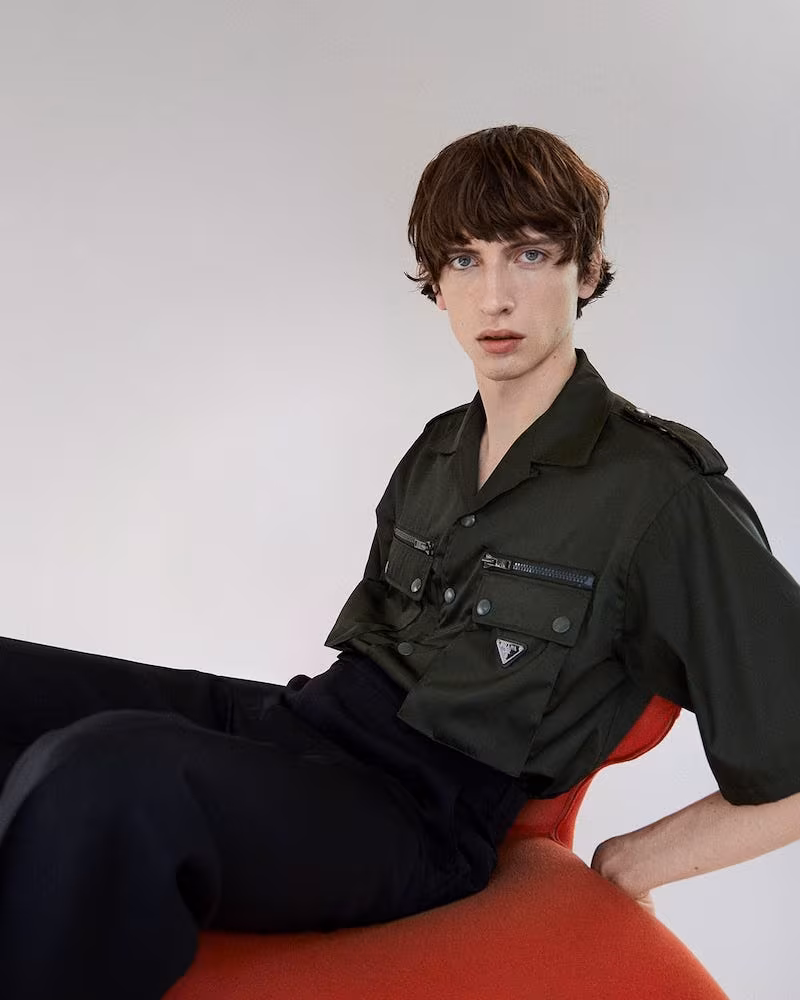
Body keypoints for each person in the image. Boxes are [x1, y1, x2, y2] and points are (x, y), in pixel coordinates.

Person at [1, 124, 799, 999]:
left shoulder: (660, 491)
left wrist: (636, 860)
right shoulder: (440, 448)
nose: (495, 296)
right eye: (464, 260)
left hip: (417, 815)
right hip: (306, 725)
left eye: (530, 254)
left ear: (588, 270)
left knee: (105, 777)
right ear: (436, 283)